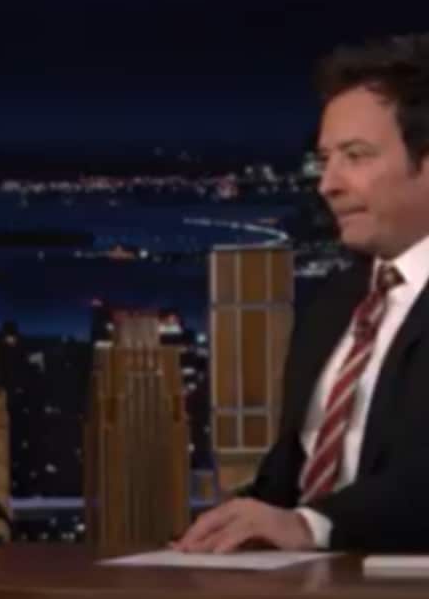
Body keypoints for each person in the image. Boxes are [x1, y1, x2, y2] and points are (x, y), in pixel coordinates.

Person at [177, 33, 429, 554]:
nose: (327, 184)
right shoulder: (334, 305)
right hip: (307, 591)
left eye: (355, 156)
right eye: (325, 159)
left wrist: (312, 527)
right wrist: (222, 531)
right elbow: (286, 484)